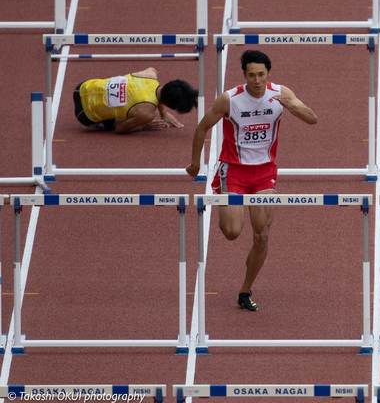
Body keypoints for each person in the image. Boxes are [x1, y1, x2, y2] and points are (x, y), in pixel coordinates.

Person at [186, 50, 317, 311]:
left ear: (269, 74)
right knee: (232, 232)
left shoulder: (280, 93)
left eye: (261, 74)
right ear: (244, 75)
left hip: (265, 173)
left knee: (261, 236)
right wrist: (195, 163)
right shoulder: (230, 99)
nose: (256, 80)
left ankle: (245, 290)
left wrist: (292, 106)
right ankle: (230, 213)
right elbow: (202, 127)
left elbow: (312, 119)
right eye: (251, 75)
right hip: (233, 171)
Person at [74, 67, 198, 134]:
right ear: (169, 106)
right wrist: (143, 126)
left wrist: (163, 112)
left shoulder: (150, 73)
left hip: (82, 87)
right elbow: (120, 129)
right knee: (126, 119)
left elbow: (159, 92)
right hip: (84, 115)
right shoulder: (147, 114)